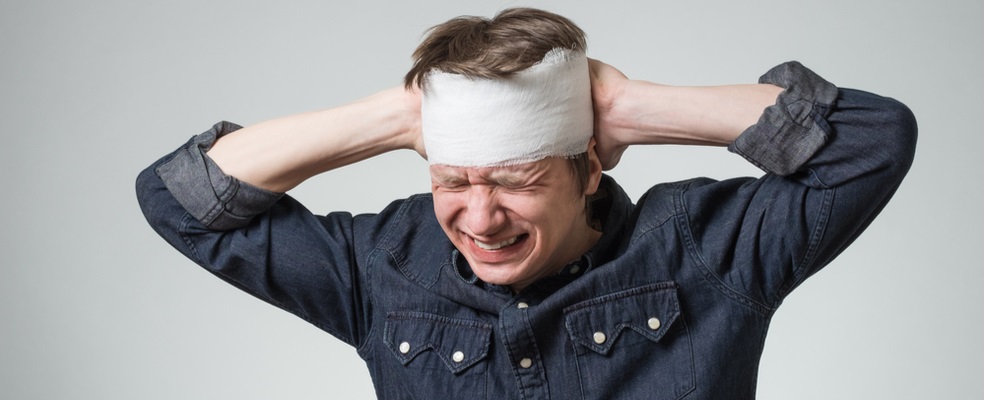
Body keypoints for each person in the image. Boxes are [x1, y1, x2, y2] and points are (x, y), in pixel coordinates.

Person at [136, 7, 916, 399]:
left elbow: (871, 140)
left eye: (514, 180)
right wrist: (399, 115)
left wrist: (629, 104)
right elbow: (178, 199)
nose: (480, 219)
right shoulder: (377, 268)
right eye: (453, 180)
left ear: (586, 167)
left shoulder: (705, 250)